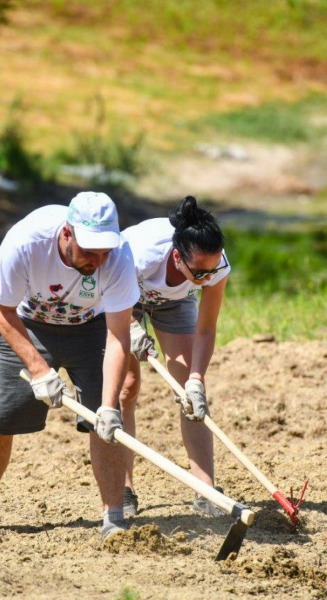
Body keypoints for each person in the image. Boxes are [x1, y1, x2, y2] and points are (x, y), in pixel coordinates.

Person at [0, 191, 140, 539]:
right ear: (67, 233)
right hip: (26, 324)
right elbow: (1, 309)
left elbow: (118, 334)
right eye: (89, 251)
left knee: (104, 419)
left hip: (91, 328)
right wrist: (39, 370)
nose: (97, 261)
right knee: (2, 416)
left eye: (104, 252)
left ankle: (114, 518)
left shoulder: (118, 258)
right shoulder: (26, 242)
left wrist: (110, 403)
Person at [120, 196, 230, 518]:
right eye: (199, 273)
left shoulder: (213, 265)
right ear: (177, 256)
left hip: (174, 302)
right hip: (121, 295)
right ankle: (124, 488)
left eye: (212, 271)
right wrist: (130, 328)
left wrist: (196, 378)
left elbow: (206, 329)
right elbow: (105, 296)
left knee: (190, 395)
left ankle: (205, 489)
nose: (207, 279)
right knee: (127, 386)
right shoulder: (139, 254)